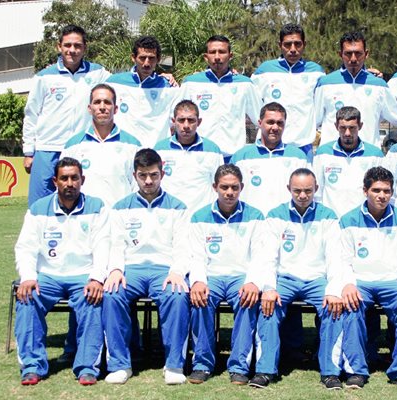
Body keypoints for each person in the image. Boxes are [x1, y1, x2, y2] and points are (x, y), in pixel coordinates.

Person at [14, 157, 109, 386]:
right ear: (55, 181)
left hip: (83, 275)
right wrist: (28, 277)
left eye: (74, 178)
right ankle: (32, 366)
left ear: (82, 180)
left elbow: (103, 245)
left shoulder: (97, 207)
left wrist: (97, 277)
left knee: (92, 299)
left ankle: (87, 366)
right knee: (28, 297)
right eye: (64, 178)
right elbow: (25, 247)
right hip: (48, 275)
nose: (70, 183)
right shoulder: (38, 209)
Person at [249, 168, 345, 390]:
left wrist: (333, 289)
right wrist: (269, 288)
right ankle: (265, 370)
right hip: (286, 277)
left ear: (316, 190)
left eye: (308, 191)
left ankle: (330, 372)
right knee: (268, 307)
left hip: (317, 279)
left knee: (334, 308)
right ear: (288, 190)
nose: (303, 195)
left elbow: (334, 257)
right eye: (297, 191)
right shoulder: (275, 215)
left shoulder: (328, 216)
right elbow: (268, 256)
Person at [103, 149, 191, 385]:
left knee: (179, 294)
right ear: (135, 175)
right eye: (143, 175)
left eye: (153, 174)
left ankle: (173, 365)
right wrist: (115, 270)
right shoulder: (121, 207)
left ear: (162, 173)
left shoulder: (178, 207)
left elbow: (183, 246)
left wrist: (177, 271)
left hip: (165, 269)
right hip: (131, 269)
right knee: (111, 294)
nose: (149, 181)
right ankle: (121, 365)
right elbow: (115, 244)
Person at [340, 166, 397, 389]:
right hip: (360, 281)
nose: (382, 195)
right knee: (350, 305)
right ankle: (356, 370)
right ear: (365, 191)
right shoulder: (348, 220)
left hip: (391, 281)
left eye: (387, 191)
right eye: (376, 190)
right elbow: (343, 260)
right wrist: (348, 283)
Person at [188, 164, 266, 385]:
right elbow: (196, 256)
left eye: (234, 187)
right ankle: (202, 364)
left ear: (242, 187)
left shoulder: (256, 216)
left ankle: (239, 367)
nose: (229, 192)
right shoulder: (199, 217)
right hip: (211, 275)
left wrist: (252, 282)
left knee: (247, 299)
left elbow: (260, 255)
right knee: (200, 299)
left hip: (241, 276)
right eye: (224, 187)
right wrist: (198, 281)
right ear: (215, 187)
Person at [23, 25, 110, 206]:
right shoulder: (44, 77)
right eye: (68, 45)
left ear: (85, 48)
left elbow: (125, 84)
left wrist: (162, 76)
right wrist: (29, 152)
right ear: (59, 47)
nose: (72, 50)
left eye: (77, 46)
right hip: (47, 148)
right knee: (39, 205)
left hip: (80, 148)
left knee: (81, 202)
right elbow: (31, 115)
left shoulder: (98, 73)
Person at [314, 31, 397, 148]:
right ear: (340, 54)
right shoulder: (325, 83)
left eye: (358, 53)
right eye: (348, 53)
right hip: (332, 158)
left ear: (366, 54)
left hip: (368, 157)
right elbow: (314, 120)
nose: (353, 58)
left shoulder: (379, 86)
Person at [181, 35, 261, 161]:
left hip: (234, 157)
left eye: (222, 52)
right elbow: (177, 121)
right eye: (212, 52)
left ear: (230, 55)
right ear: (206, 57)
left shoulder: (244, 84)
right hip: (200, 156)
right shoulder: (190, 83)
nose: (217, 57)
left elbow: (261, 120)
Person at [251, 23, 325, 159]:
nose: (293, 49)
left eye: (297, 44)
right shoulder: (264, 71)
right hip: (269, 146)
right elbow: (250, 100)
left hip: (303, 146)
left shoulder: (316, 72)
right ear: (280, 45)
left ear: (304, 44)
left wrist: (367, 73)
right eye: (287, 44)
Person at [61, 84, 141, 207]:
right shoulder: (73, 146)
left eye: (107, 102)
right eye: (97, 102)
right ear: (89, 108)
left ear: (115, 109)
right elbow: (64, 186)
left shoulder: (133, 145)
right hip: (85, 217)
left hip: (121, 217)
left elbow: (139, 186)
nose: (102, 107)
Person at [230, 102, 308, 216]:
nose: (275, 127)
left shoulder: (299, 158)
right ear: (260, 123)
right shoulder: (240, 157)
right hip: (251, 224)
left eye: (280, 123)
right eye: (270, 122)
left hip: (285, 223)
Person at [106, 36, 179, 147]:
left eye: (151, 58)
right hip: (123, 149)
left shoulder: (168, 86)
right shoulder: (113, 83)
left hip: (155, 153)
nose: (146, 63)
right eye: (142, 58)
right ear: (133, 58)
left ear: (158, 59)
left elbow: (176, 121)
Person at [154, 100, 224, 213]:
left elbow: (219, 186)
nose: (186, 125)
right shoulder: (159, 150)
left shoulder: (213, 150)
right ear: (173, 121)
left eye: (191, 120)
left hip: (200, 218)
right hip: (169, 215)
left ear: (199, 122)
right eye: (181, 120)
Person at [313, 106, 383, 217]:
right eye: (343, 128)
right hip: (331, 221)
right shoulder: (323, 153)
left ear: (360, 126)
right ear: (336, 127)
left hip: (362, 222)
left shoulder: (375, 155)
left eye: (352, 128)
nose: (347, 133)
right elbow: (317, 191)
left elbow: (379, 191)